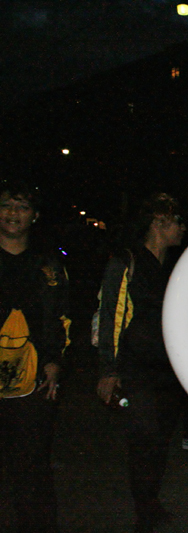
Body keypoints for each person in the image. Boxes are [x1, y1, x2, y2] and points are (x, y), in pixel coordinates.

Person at [95, 193, 186, 532]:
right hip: (136, 368)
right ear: (158, 222)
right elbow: (110, 317)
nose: (182, 228)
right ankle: (143, 509)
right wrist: (108, 369)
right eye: (177, 221)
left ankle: (151, 501)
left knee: (161, 438)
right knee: (144, 437)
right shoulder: (127, 261)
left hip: (170, 367)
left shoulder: (176, 266)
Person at [0, 180, 69, 533]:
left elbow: (61, 318)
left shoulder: (48, 266)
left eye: (22, 207)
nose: (13, 214)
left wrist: (54, 362)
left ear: (35, 216)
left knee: (31, 465)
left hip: (32, 380)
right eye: (8, 205)